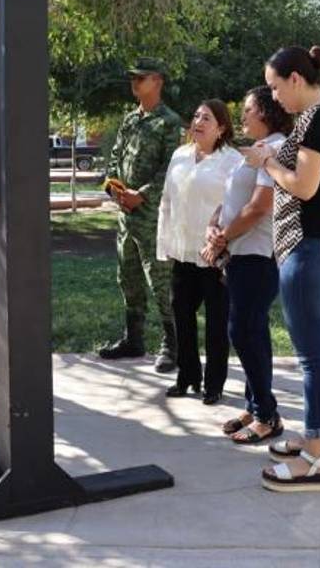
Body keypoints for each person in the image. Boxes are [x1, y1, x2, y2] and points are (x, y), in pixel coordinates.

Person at [242, 45, 320, 493]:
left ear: (294, 78)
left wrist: (265, 161)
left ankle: (316, 457)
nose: (274, 98)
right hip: (310, 247)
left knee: (312, 356)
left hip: (313, 248)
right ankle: (311, 441)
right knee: (312, 353)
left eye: (274, 86)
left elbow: (304, 187)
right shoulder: (317, 119)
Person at [204, 87, 292, 442]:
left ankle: (267, 415)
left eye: (247, 110)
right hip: (241, 252)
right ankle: (256, 405)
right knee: (254, 332)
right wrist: (215, 226)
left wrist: (222, 236)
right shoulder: (256, 150)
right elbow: (232, 198)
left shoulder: (274, 147)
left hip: (258, 254)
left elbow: (259, 207)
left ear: (266, 112)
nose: (242, 116)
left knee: (242, 330)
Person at [97, 58, 184, 373]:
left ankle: (172, 346)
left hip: (152, 215)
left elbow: (170, 169)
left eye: (141, 77)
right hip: (126, 213)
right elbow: (116, 157)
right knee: (128, 277)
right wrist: (113, 188)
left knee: (159, 280)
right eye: (132, 77)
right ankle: (133, 339)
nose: (134, 82)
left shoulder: (169, 122)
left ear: (157, 81)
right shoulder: (130, 119)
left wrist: (141, 194)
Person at [157, 100, 241, 404]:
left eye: (207, 118)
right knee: (181, 315)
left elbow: (236, 207)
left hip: (216, 254)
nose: (198, 122)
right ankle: (187, 376)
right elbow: (167, 200)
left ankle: (214, 384)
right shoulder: (179, 156)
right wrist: (164, 243)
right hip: (184, 251)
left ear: (221, 128)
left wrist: (222, 241)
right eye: (195, 116)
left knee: (217, 322)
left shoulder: (232, 161)